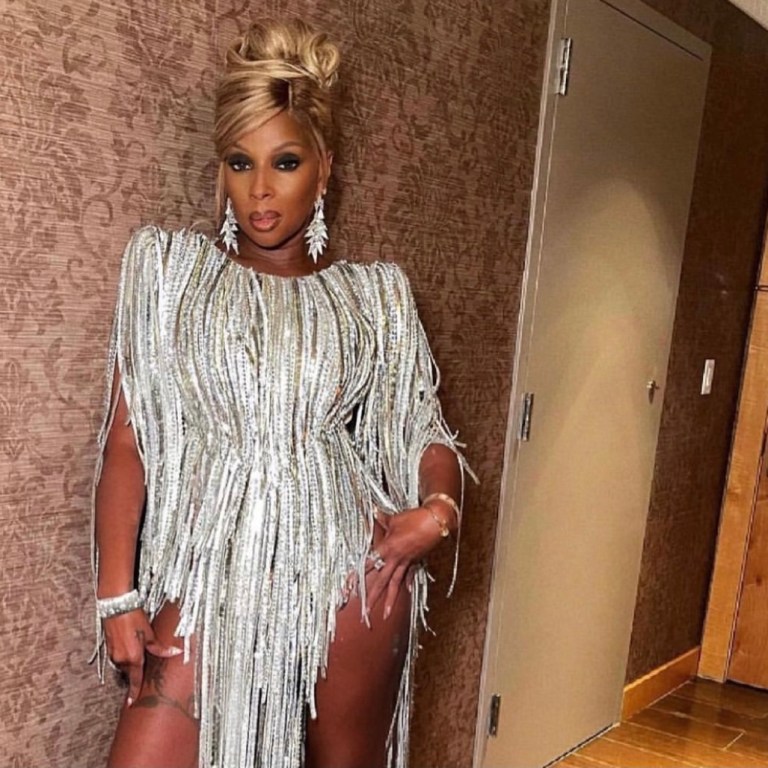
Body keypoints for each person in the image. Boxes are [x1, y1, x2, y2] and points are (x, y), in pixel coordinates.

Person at [91, 18, 472, 768]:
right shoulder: (170, 276)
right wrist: (117, 595)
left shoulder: (374, 298)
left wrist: (438, 512)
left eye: (285, 162)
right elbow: (128, 441)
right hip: (211, 572)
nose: (260, 190)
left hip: (349, 577)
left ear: (323, 170)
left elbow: (422, 429)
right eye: (241, 162)